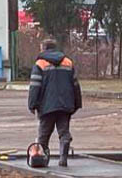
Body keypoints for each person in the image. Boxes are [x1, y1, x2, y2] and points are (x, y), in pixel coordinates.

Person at [27, 38, 82, 167]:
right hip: (65, 104)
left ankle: (43, 159)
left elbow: (35, 86)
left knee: (43, 134)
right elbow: (75, 85)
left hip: (47, 106)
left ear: (43, 48)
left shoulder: (40, 64)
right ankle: (63, 157)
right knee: (63, 131)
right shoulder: (68, 62)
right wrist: (77, 103)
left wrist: (32, 104)